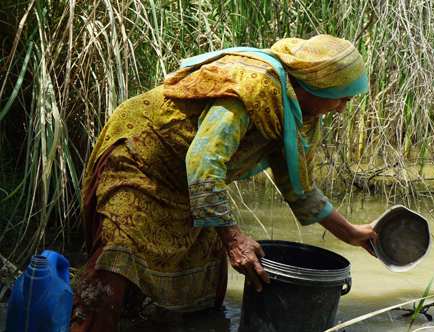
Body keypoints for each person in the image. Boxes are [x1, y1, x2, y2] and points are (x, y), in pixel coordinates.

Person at [70, 35, 377, 331]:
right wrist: (233, 238)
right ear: (318, 86)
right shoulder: (250, 90)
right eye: (342, 100)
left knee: (203, 276)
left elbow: (302, 191)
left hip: (186, 182)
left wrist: (353, 235)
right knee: (119, 258)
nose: (341, 109)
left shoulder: (300, 116)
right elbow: (203, 163)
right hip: (140, 157)